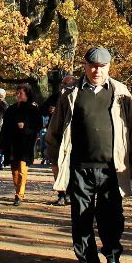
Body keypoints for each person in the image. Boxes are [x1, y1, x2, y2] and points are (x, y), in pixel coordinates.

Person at [45, 47, 132, 263]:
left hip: (112, 169)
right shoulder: (71, 93)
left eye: (102, 66)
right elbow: (55, 131)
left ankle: (112, 256)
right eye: (93, 66)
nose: (97, 70)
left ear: (109, 67)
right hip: (80, 167)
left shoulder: (121, 93)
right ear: (85, 66)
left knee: (111, 218)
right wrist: (55, 163)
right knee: (81, 219)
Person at [0, 84, 43, 205]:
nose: (18, 95)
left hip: (26, 143)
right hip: (12, 143)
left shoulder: (33, 109)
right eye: (17, 93)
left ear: (27, 95)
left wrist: (26, 127)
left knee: (22, 168)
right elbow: (5, 127)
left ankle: (19, 194)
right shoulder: (11, 109)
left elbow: (38, 126)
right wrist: (2, 143)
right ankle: (17, 189)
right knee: (14, 169)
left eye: (21, 93)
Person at [46, 74, 77, 204]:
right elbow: (43, 109)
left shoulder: (77, 98)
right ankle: (61, 194)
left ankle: (69, 193)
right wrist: (49, 111)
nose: (63, 87)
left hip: (71, 138)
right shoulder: (55, 98)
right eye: (63, 84)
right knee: (56, 166)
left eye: (67, 85)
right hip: (55, 136)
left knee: (70, 168)